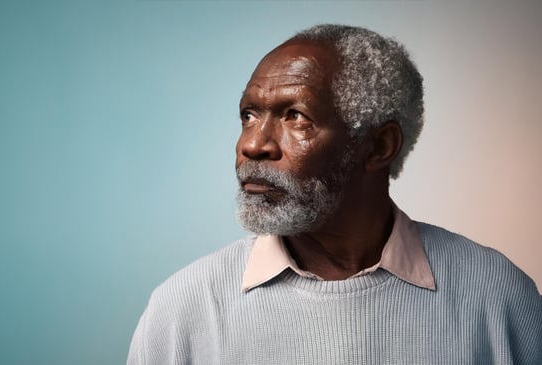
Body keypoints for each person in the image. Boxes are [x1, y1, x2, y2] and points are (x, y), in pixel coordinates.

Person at [127, 24, 542, 364]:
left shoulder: (496, 295)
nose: (253, 145)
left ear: (379, 147)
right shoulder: (183, 309)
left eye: (296, 116)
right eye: (248, 115)